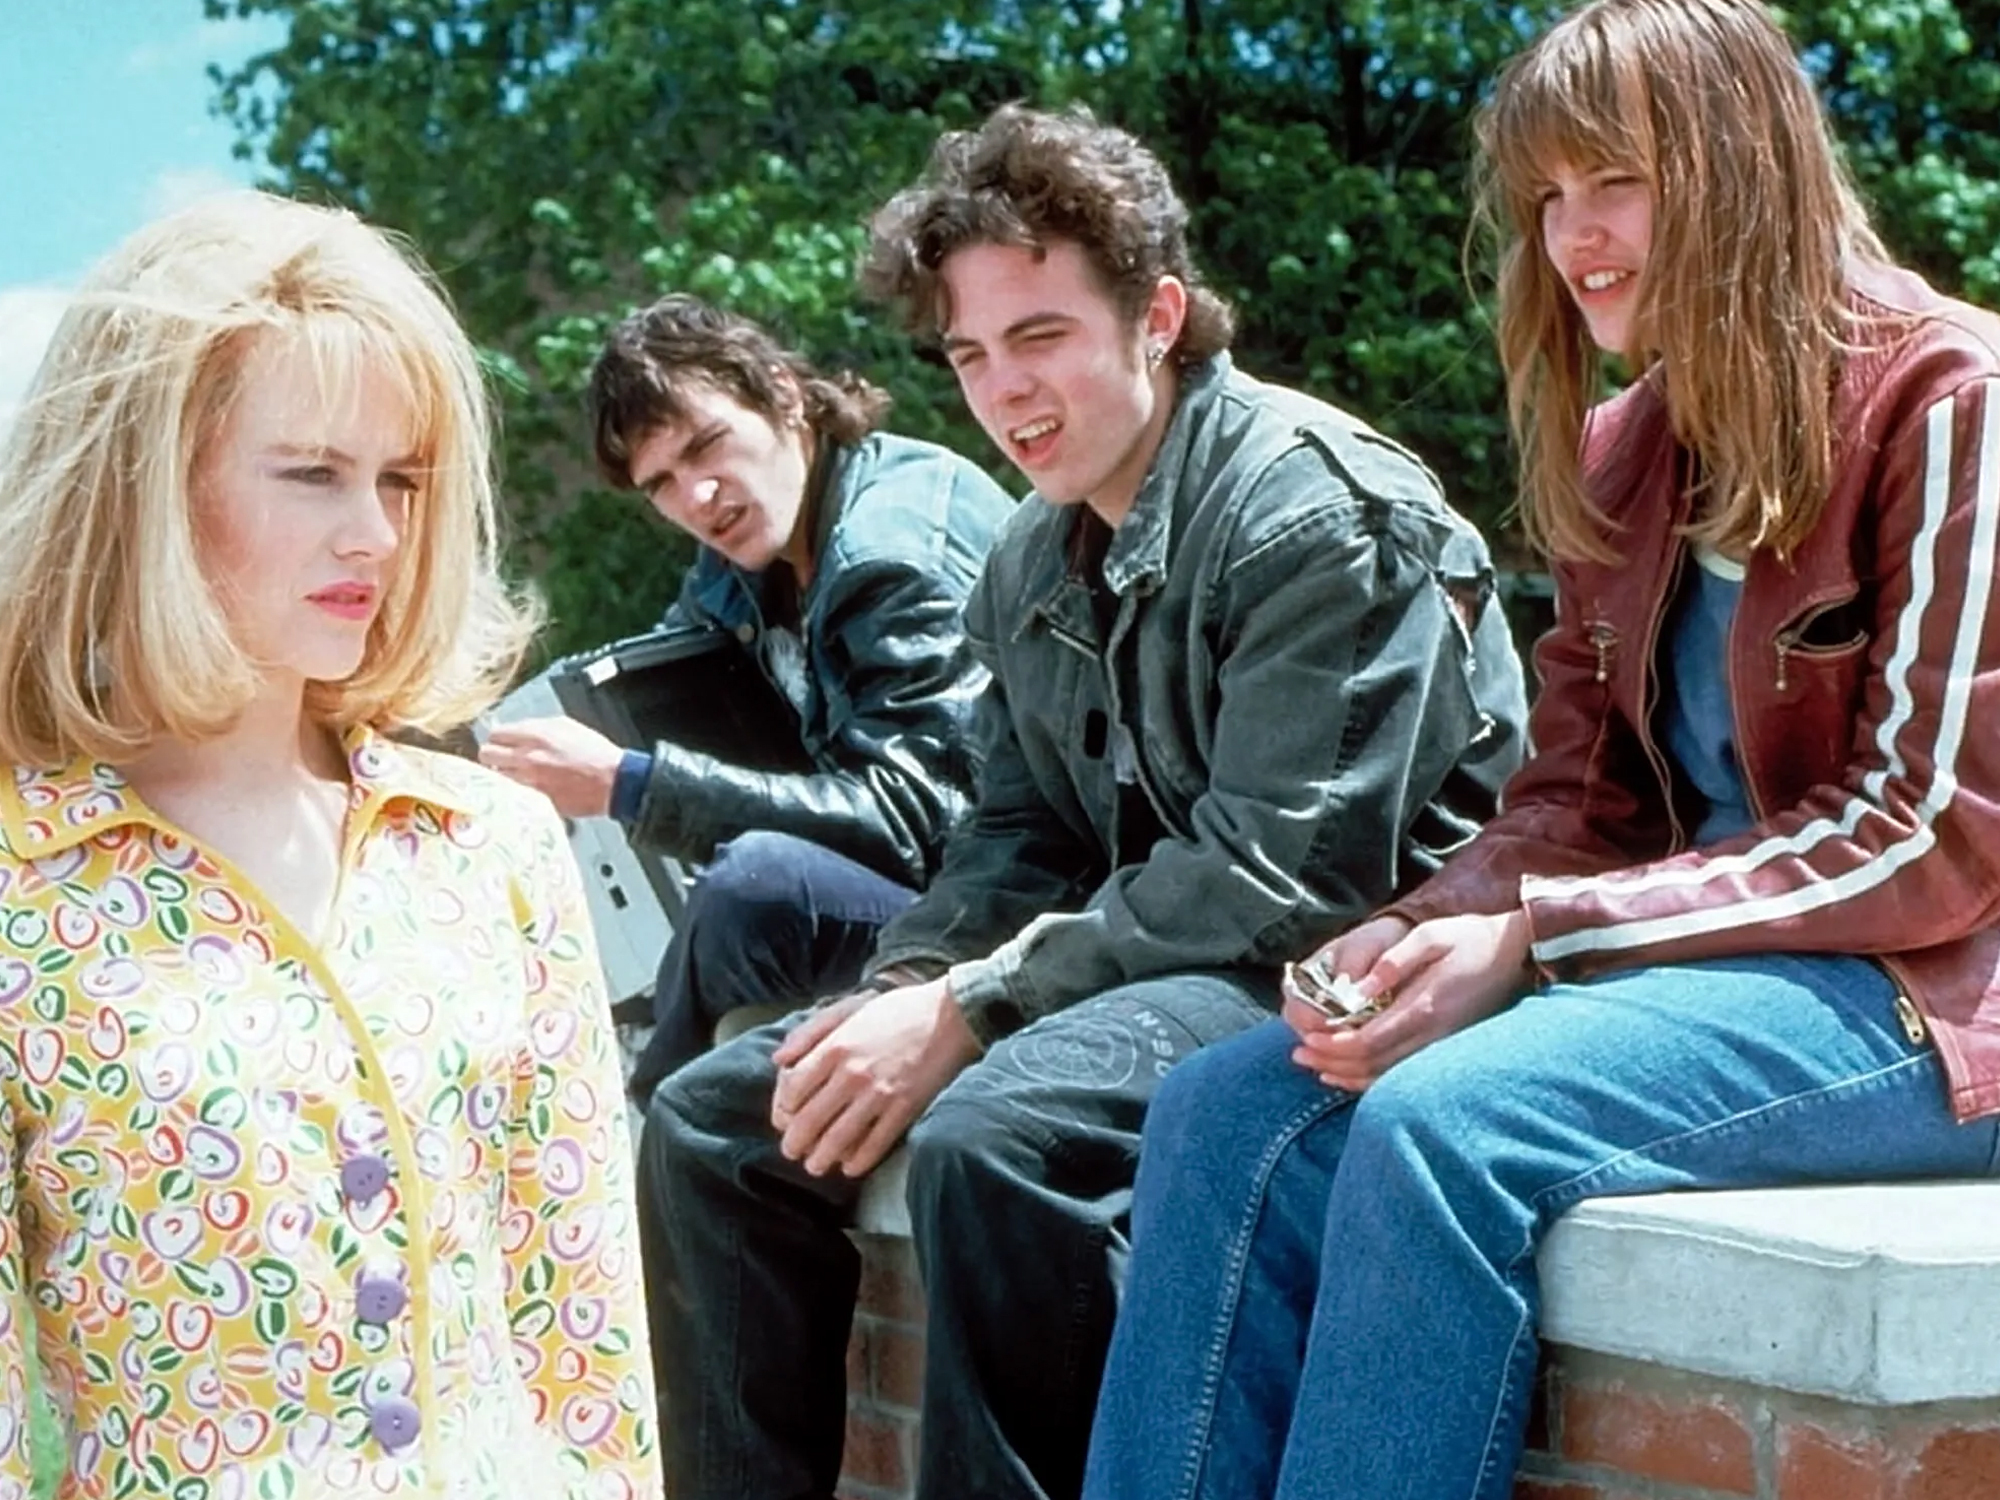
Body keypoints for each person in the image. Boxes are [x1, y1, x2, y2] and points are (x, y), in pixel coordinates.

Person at [1081, 2, 2000, 1497]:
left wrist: (1540, 939)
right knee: (1227, 1105)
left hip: (1934, 1004)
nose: (1574, 237)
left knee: (1448, 1131)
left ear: (1738, 164)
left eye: (1613, 180)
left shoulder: (1953, 403)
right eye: (1547, 197)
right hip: (1702, 971)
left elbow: (1935, 835)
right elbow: (1577, 796)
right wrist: (1410, 936)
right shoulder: (1627, 449)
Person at [640, 104, 1530, 1500]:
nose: (1005, 392)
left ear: (1158, 314)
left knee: (993, 1136)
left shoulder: (1312, 509)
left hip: (1333, 969)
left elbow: (1278, 878)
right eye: (972, 355)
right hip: (1143, 953)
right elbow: (1020, 828)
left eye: (1040, 336)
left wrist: (973, 1010)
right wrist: (913, 981)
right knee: (715, 1123)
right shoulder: (1032, 555)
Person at [0, 193, 660, 1500]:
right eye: (312, 471)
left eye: (399, 478)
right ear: (144, 485)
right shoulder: (21, 879)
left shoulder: (497, 849)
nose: (375, 531)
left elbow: (584, 1346)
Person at [478, 295, 1011, 1093]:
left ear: (784, 394)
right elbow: (662, 671)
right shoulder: (746, 560)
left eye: (708, 445)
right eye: (662, 482)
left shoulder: (889, 555)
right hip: (926, 890)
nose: (697, 497)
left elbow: (922, 821)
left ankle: (641, 1118)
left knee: (755, 883)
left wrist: (631, 784)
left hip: (1004, 899)